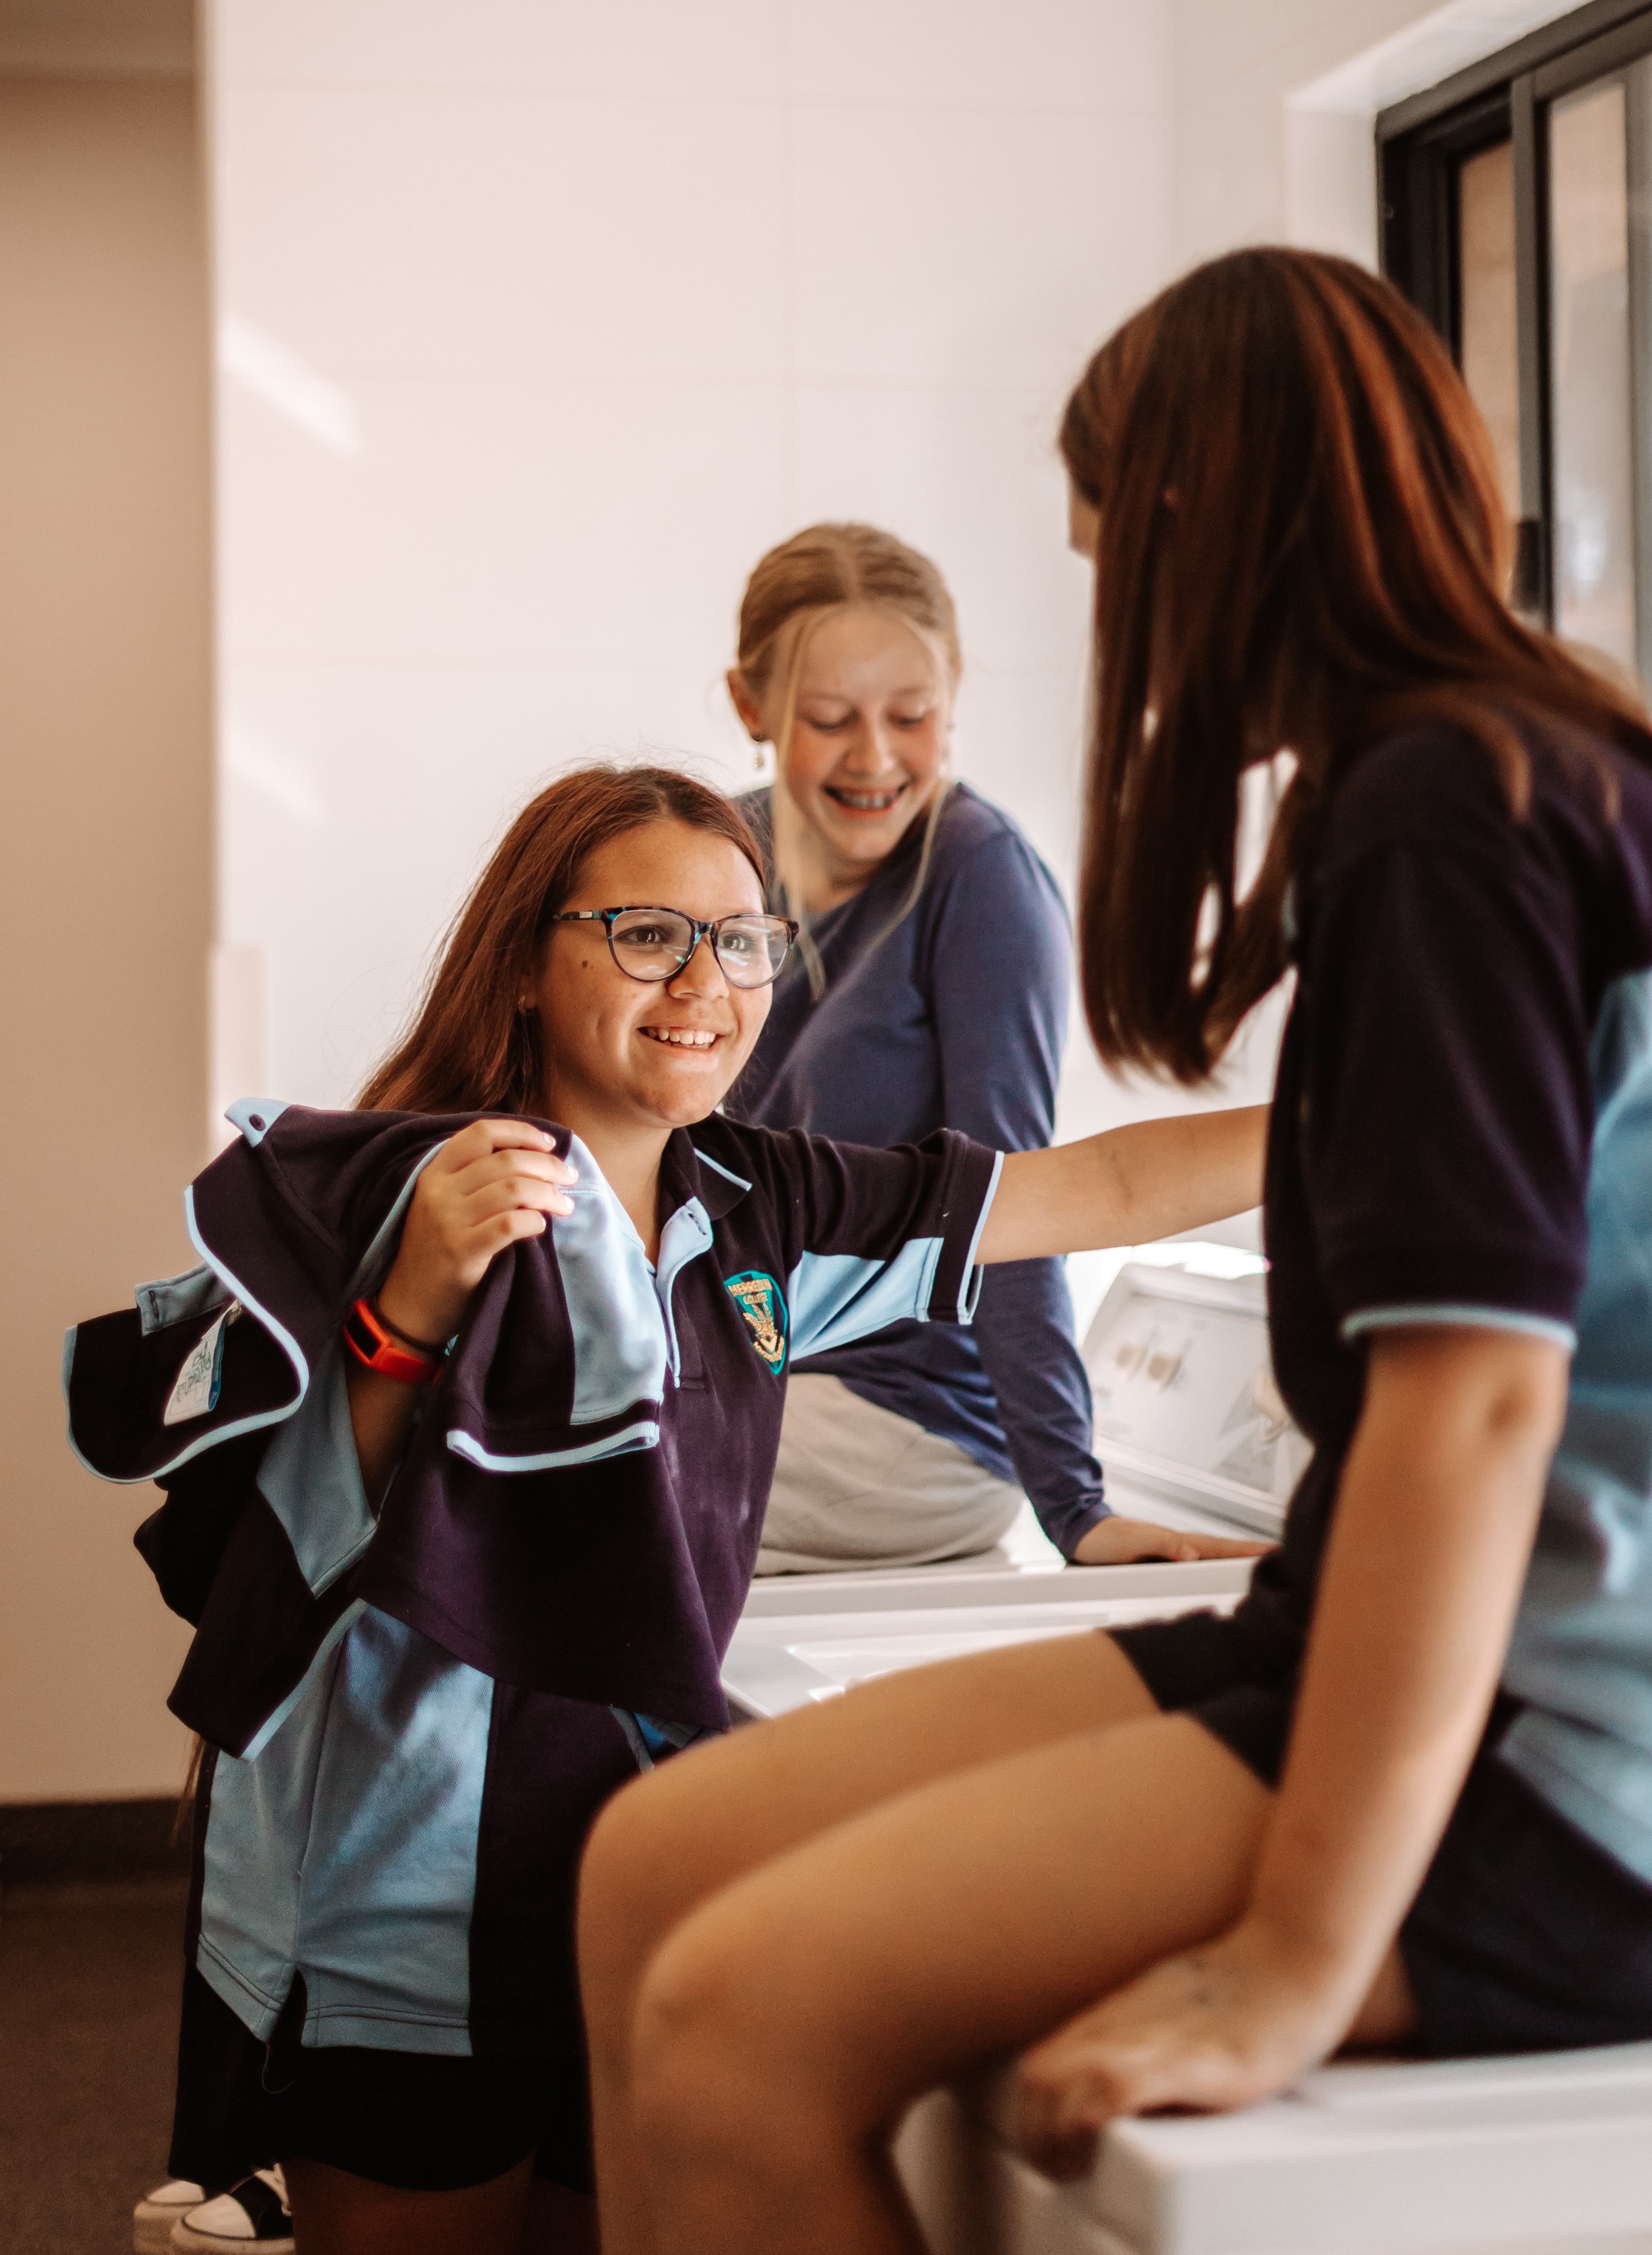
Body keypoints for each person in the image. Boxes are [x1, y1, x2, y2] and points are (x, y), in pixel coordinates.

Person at [575, 247, 1652, 2255]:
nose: (1126, 634)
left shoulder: (1442, 813)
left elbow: (1475, 1411)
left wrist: (1296, 1955)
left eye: (1106, 560)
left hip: (1568, 1760)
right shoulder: (1488, 772)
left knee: (731, 2021)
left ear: (1197, 526)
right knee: (647, 1861)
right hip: (1378, 1640)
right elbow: (1133, 1190)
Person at [66, 763, 1265, 2255]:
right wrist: (407, 1305)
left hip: (633, 1877)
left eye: (744, 938)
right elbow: (301, 1554)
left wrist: (1372, 1105)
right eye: (647, 934)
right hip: (406, 1909)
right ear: (526, 960)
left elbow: (1089, 1189)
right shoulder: (414, 1187)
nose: (707, 982)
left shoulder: (756, 1210)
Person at [724, 521, 1263, 1571]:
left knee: (532, 1478)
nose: (874, 756)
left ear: (955, 692)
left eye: (911, 714)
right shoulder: (722, 859)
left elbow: (1017, 1204)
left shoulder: (977, 882)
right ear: (751, 707)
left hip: (901, 1422)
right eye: (828, 718)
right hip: (746, 1371)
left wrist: (1076, 1509)